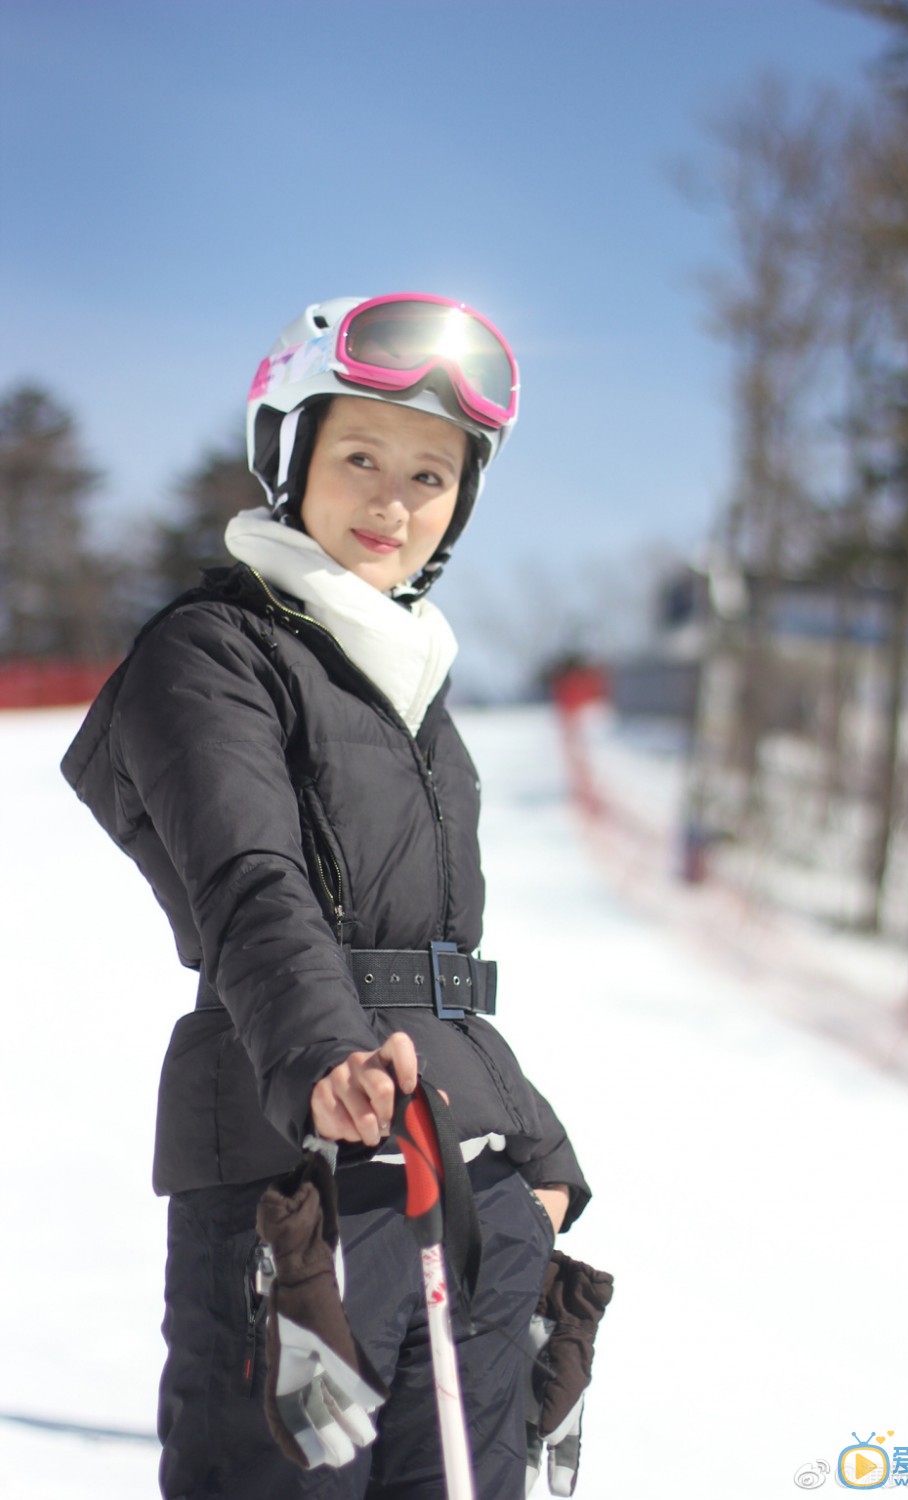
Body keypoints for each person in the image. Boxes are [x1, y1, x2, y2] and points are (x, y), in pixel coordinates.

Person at [62, 294, 598, 1500]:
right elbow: (252, 888)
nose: (392, 501)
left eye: (430, 475)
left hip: (461, 1191)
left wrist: (531, 1142)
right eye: (360, 457)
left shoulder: (412, 689)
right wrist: (319, 1059)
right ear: (290, 453)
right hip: (292, 1182)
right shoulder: (213, 652)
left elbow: (427, 960)